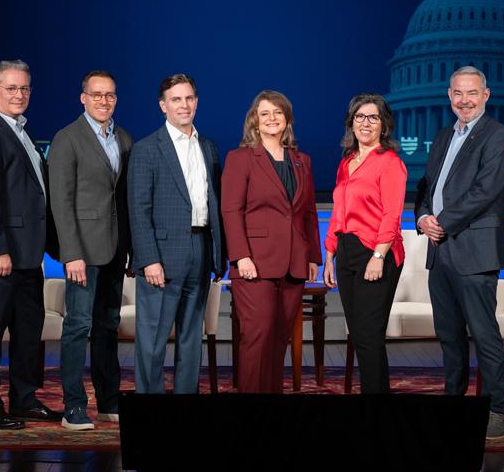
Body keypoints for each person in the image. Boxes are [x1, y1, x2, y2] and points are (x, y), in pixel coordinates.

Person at [414, 66, 504, 439]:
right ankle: (453, 404)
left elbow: (485, 191)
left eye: (472, 93)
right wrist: (423, 217)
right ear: (449, 95)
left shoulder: (497, 135)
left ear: (485, 95)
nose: (465, 100)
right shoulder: (443, 136)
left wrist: (441, 222)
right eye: (458, 93)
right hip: (439, 251)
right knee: (449, 336)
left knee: (484, 335)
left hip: (473, 250)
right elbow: (426, 186)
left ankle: (496, 411)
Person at [0, 59, 62, 429]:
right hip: (0, 256)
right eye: (11, 88)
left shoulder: (20, 130)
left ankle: (24, 399)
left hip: (27, 254)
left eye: (24, 88)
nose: (19, 95)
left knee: (28, 330)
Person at [128, 73, 224, 394]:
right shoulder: (146, 149)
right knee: (153, 340)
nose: (184, 105)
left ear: (196, 102)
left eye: (189, 98)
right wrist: (148, 260)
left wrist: (218, 254)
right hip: (162, 258)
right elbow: (138, 210)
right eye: (176, 99)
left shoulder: (208, 147)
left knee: (191, 338)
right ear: (163, 106)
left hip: (200, 250)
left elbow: (213, 202)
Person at [48, 71, 133, 430]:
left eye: (109, 95)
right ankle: (73, 406)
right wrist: (71, 253)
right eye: (96, 95)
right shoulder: (67, 138)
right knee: (77, 326)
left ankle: (109, 400)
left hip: (115, 249)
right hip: (82, 251)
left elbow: (124, 200)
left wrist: (131, 250)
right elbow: (60, 202)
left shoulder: (124, 138)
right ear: (83, 98)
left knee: (107, 327)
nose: (103, 101)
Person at [221, 90, 321, 393]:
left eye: (278, 112)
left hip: (294, 263)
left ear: (288, 119)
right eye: (265, 113)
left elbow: (308, 212)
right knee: (258, 336)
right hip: (254, 263)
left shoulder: (302, 160)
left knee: (279, 338)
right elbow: (230, 210)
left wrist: (313, 257)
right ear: (255, 120)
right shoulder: (240, 158)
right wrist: (241, 256)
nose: (272, 118)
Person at [323, 93, 407, 394]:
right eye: (360, 116)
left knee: (370, 335)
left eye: (373, 117)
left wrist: (378, 256)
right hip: (346, 251)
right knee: (359, 335)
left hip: (376, 253)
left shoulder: (390, 162)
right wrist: (329, 255)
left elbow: (392, 215)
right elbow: (339, 212)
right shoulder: (346, 162)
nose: (366, 123)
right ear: (351, 122)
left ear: (384, 124)